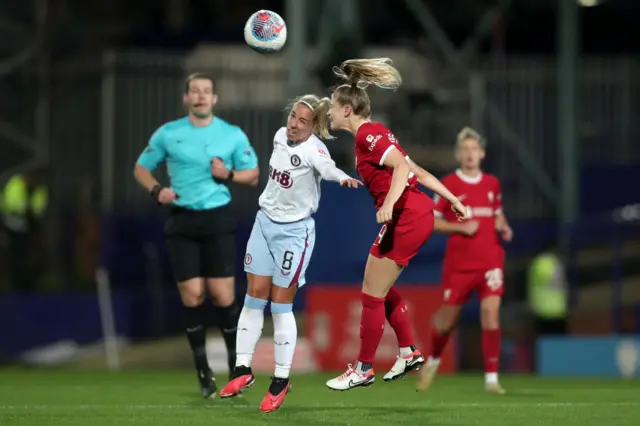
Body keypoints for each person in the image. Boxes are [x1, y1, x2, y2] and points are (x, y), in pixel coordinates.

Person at [323, 58, 470, 391]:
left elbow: (402, 171)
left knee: (372, 295)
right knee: (377, 289)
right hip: (415, 214)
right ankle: (407, 350)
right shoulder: (377, 135)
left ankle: (363, 369)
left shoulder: (368, 135)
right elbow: (417, 170)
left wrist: (388, 204)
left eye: (333, 107)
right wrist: (454, 199)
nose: (329, 113)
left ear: (347, 110)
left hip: (407, 216)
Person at [217, 95, 362, 411]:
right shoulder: (280, 137)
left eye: (302, 121)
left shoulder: (315, 150)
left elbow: (327, 168)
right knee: (254, 296)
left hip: (294, 234)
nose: (293, 124)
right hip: (264, 223)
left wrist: (344, 178)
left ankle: (281, 379)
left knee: (281, 305)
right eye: (293, 116)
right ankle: (243, 369)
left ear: (314, 128)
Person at [134, 72, 259, 399]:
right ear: (186, 98)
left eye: (207, 91)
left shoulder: (231, 135)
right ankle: (203, 372)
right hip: (182, 221)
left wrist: (228, 174)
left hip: (217, 219)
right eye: (195, 91)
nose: (201, 96)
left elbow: (253, 175)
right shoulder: (168, 133)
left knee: (223, 297)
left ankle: (236, 368)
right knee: (192, 296)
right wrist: (156, 190)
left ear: (215, 99)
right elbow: (141, 168)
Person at [416, 127, 513, 394]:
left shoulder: (492, 183)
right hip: (460, 264)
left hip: (491, 260)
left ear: (482, 153)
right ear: (459, 154)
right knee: (447, 320)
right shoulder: (449, 184)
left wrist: (504, 226)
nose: (470, 154)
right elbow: (432, 222)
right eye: (465, 150)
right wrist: (460, 228)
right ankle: (433, 359)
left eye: (474, 149)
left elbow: (497, 214)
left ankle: (492, 380)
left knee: (491, 313)